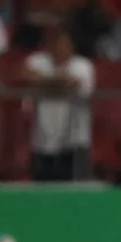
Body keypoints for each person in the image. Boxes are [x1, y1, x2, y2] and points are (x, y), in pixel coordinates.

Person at [23, 26, 95, 182]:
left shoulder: (83, 65)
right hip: (43, 140)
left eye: (65, 44)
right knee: (42, 191)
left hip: (74, 142)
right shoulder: (38, 61)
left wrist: (45, 84)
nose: (61, 48)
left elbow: (73, 83)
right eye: (57, 43)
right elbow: (27, 75)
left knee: (73, 194)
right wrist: (59, 84)